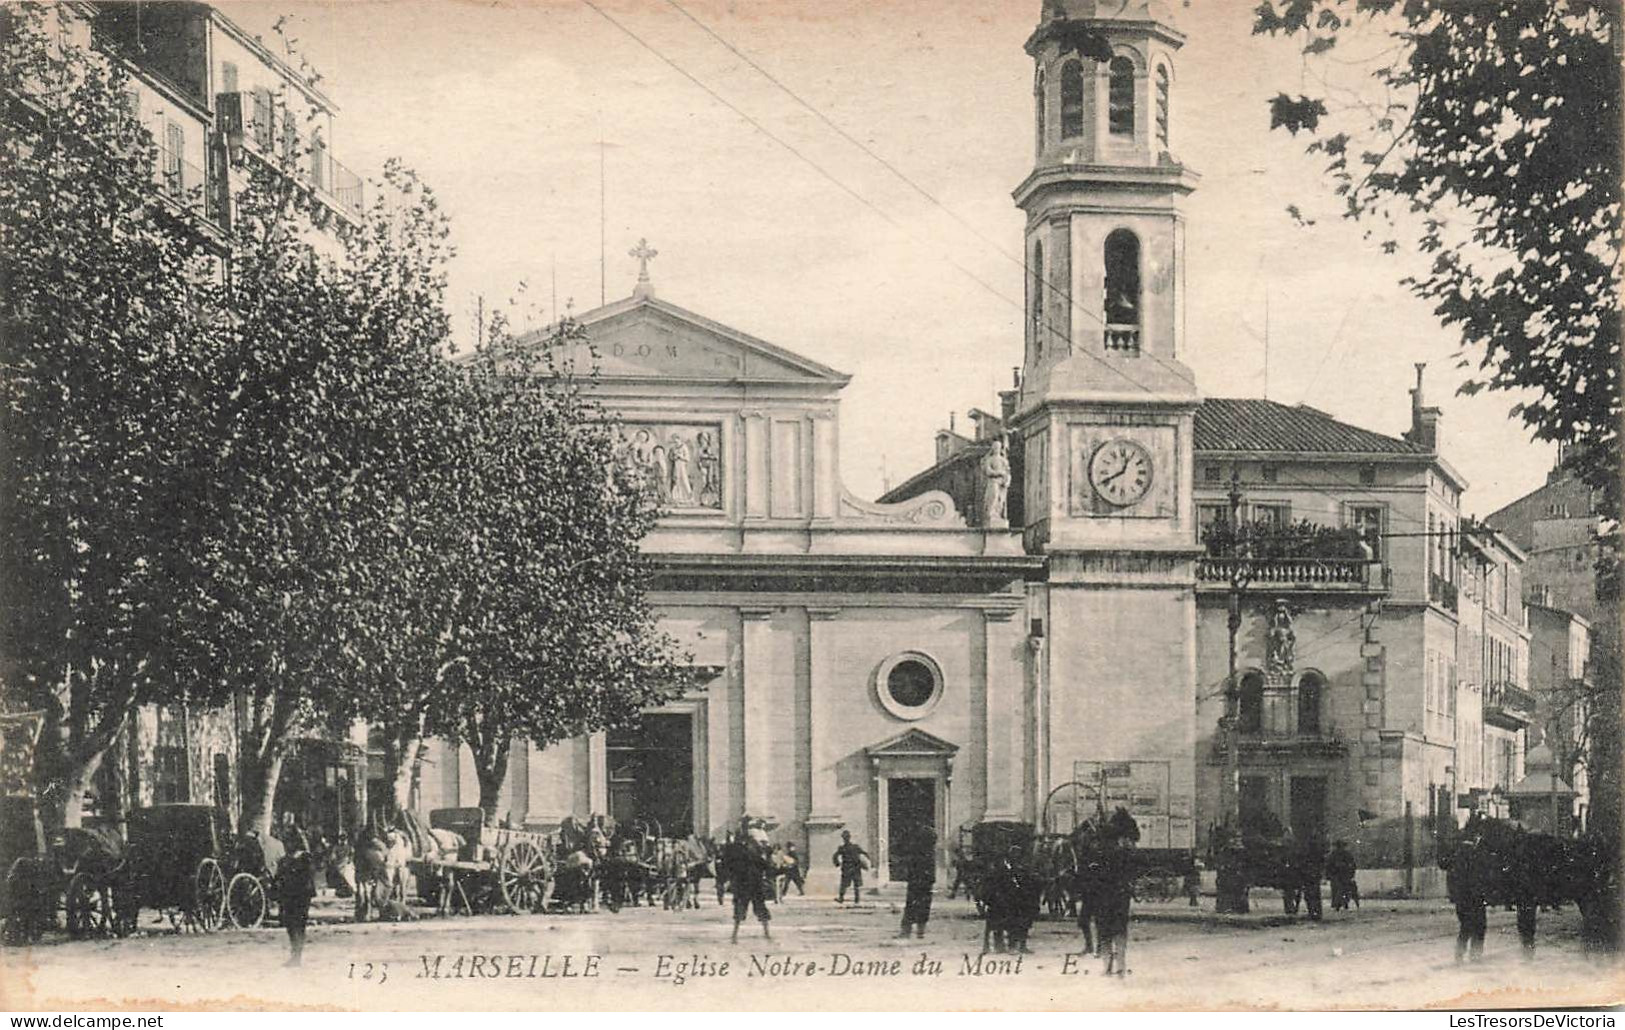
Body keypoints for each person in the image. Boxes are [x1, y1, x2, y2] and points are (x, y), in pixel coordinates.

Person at [721, 819, 773, 943]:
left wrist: (727, 879)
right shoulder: (756, 847)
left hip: (741, 882)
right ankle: (766, 934)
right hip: (755, 882)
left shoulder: (734, 848)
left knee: (740, 908)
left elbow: (727, 864)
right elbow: (764, 864)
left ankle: (735, 936)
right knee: (760, 907)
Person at [277, 829, 318, 967]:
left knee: (297, 924)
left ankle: (296, 954)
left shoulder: (304, 858)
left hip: (299, 895)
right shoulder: (287, 859)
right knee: (292, 924)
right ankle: (295, 953)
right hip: (293, 895)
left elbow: (307, 877)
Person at [898, 827, 937, 939]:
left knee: (911, 906)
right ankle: (921, 931)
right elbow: (931, 872)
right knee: (924, 906)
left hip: (915, 882)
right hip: (926, 883)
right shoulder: (931, 853)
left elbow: (911, 869)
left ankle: (906, 931)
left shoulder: (916, 853)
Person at [833, 830, 869, 906]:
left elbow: (835, 856)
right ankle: (857, 900)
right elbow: (865, 853)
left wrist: (837, 864)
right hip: (855, 868)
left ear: (844, 838)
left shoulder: (842, 848)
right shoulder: (855, 847)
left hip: (847, 868)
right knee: (856, 885)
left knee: (844, 884)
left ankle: (841, 898)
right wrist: (867, 862)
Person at [1328, 840, 1359, 911]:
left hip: (1344, 875)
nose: (1339, 848)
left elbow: (1352, 865)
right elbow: (1329, 866)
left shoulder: (1346, 855)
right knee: (1338, 890)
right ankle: (1338, 904)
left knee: (1343, 890)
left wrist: (1351, 873)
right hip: (1337, 875)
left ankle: (1343, 904)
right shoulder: (1333, 855)